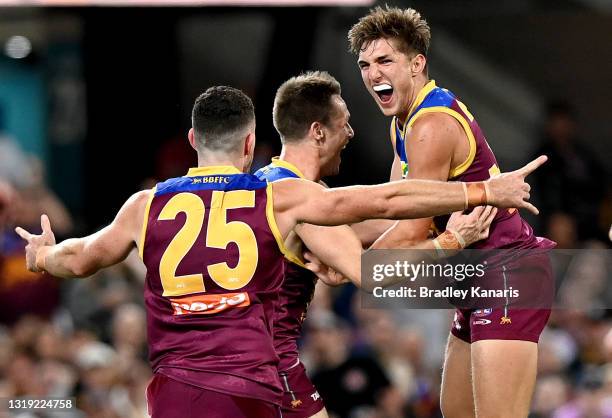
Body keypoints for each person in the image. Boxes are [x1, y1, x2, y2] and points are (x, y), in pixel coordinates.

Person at [16, 86, 541, 418]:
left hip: (175, 386)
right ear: (250, 144)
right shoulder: (279, 198)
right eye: (345, 128)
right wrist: (472, 205)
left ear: (194, 138)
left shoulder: (145, 203)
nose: (352, 135)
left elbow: (80, 257)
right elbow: (382, 213)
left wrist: (41, 255)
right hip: (259, 379)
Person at [348, 6, 556, 418]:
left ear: (417, 63)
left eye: (385, 61)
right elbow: (394, 213)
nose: (373, 74)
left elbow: (409, 233)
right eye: (365, 64)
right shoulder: (402, 124)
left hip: (508, 273)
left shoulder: (430, 126)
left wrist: (350, 265)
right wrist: (327, 237)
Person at [255, 71, 500, 418]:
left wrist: (427, 216)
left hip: (241, 358)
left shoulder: (267, 183)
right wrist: (453, 239)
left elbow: (368, 225)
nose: (351, 133)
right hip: (270, 363)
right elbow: (373, 275)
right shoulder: (302, 198)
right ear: (318, 131)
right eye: (345, 124)